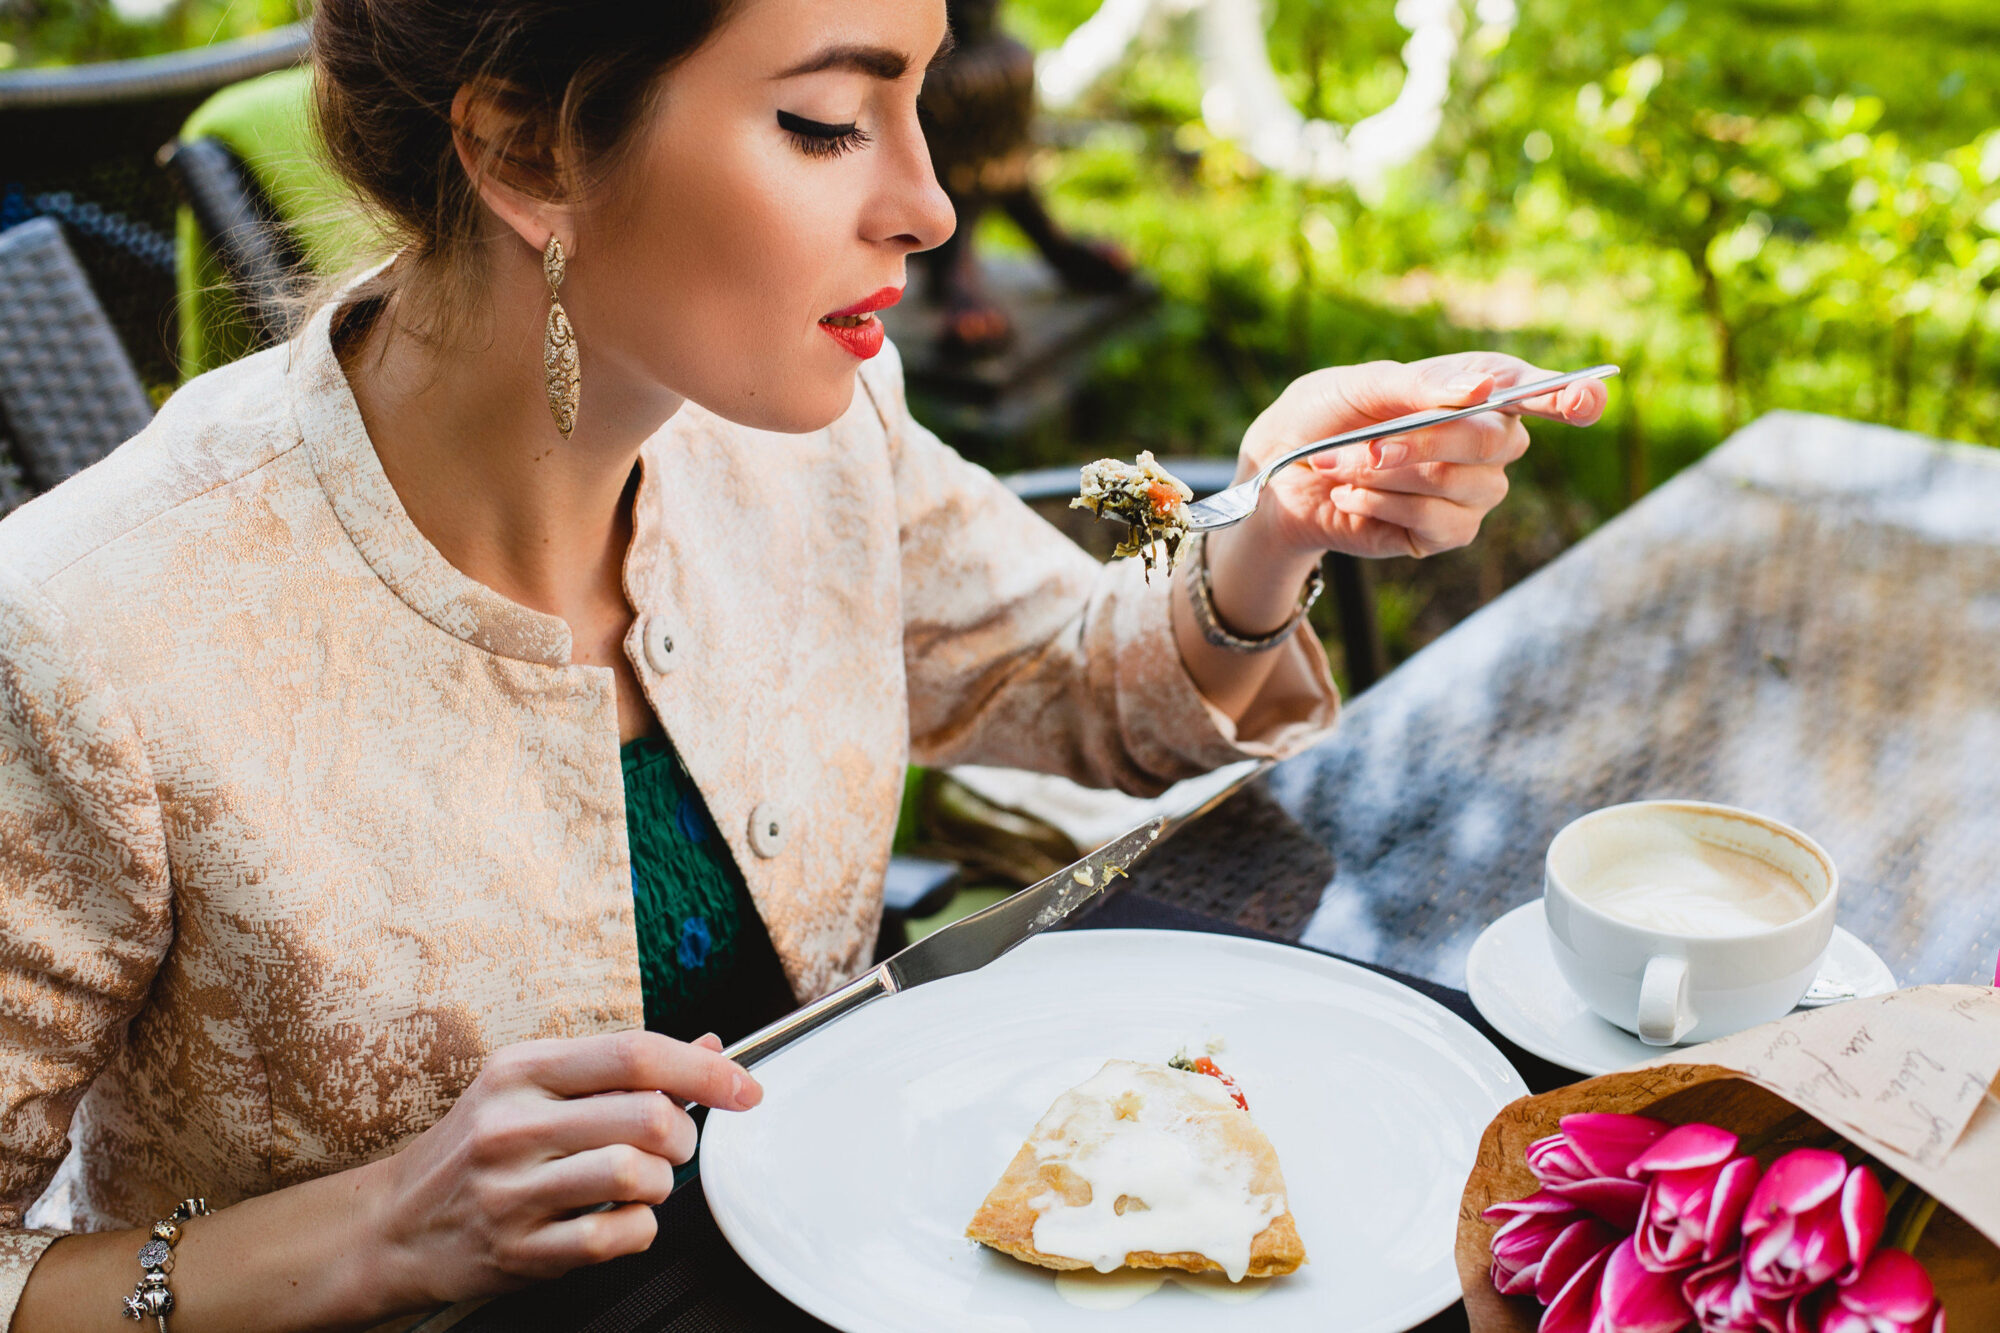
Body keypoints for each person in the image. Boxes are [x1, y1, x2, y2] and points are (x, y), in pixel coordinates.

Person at [0, 0, 1608, 1328]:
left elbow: (1068, 672)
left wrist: (1271, 528)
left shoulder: (813, 433)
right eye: (831, 123)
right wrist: (367, 1231)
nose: (931, 206)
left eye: (914, 100)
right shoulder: (93, 635)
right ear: (522, 151)